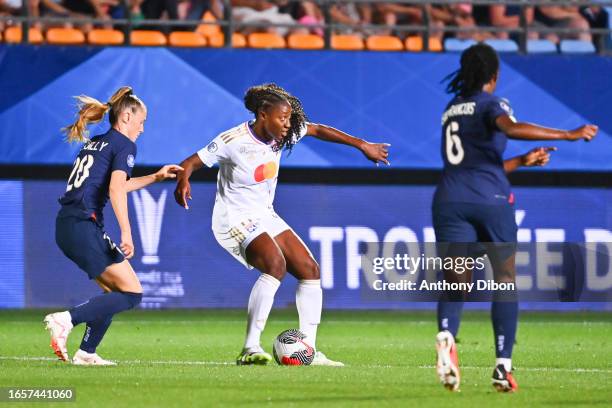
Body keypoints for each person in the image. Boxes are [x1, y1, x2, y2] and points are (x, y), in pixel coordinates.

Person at [174, 83, 390, 366]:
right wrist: (183, 180)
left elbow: (317, 129)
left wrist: (362, 145)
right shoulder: (233, 140)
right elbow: (191, 161)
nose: (288, 124)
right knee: (276, 265)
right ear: (263, 114)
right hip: (233, 217)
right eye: (282, 118)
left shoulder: (283, 134)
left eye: (289, 118)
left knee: (310, 270)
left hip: (264, 213)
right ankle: (250, 347)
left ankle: (308, 351)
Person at [433, 43, 597, 392]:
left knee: (455, 281)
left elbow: (474, 163)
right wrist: (567, 134)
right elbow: (510, 126)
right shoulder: (492, 104)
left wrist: (522, 161)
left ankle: (447, 333)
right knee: (504, 278)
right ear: (493, 75)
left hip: (449, 197)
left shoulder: (451, 109)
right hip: (491, 200)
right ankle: (502, 367)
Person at [44, 87, 182, 365]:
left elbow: (115, 184)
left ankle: (87, 352)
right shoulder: (124, 144)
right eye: (142, 121)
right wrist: (127, 232)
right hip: (83, 225)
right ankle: (65, 320)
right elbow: (117, 189)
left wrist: (155, 177)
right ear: (127, 117)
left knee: (116, 292)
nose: (143, 129)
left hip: (68, 225)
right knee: (132, 293)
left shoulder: (98, 142)